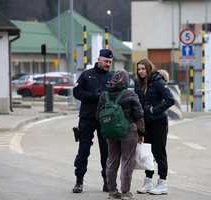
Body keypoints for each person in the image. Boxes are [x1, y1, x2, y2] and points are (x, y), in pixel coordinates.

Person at [97, 70, 145, 200]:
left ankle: (112, 191)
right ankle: (125, 192)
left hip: (111, 132)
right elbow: (139, 115)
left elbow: (98, 115)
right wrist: (141, 132)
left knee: (112, 160)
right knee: (127, 160)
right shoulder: (130, 94)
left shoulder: (104, 95)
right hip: (128, 131)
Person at [72, 49, 113, 193]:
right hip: (87, 119)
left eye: (110, 62)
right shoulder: (86, 74)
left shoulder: (112, 76)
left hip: (106, 120)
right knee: (83, 150)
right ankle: (79, 181)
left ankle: (107, 182)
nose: (108, 64)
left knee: (106, 153)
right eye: (106, 61)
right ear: (99, 59)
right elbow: (76, 92)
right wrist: (94, 96)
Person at [134, 58, 175, 195]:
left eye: (143, 69)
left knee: (159, 153)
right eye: (139, 69)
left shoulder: (157, 81)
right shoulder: (138, 84)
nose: (140, 71)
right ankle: (148, 182)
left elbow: (170, 100)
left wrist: (154, 110)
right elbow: (137, 103)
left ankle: (162, 183)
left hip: (159, 122)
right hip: (146, 123)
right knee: (147, 154)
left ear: (148, 68)